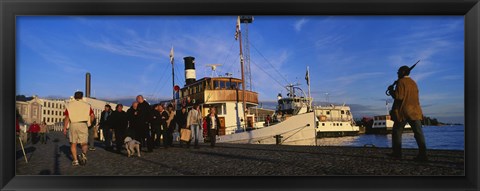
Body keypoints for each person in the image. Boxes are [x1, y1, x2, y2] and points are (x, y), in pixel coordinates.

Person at [387, 65, 428, 161]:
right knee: (418, 133)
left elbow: (399, 97)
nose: (397, 73)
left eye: (398, 72)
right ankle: (423, 155)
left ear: (402, 72)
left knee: (397, 131)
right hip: (416, 111)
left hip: (403, 112)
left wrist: (391, 91)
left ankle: (397, 153)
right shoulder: (413, 83)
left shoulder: (401, 82)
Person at [63, 91, 95, 166]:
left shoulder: (69, 105)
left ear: (74, 96)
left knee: (73, 143)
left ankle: (75, 160)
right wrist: (90, 123)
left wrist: (65, 128)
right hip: (83, 124)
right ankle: (83, 154)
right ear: (82, 97)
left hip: (73, 124)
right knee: (84, 143)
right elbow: (92, 116)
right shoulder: (87, 105)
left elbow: (67, 117)